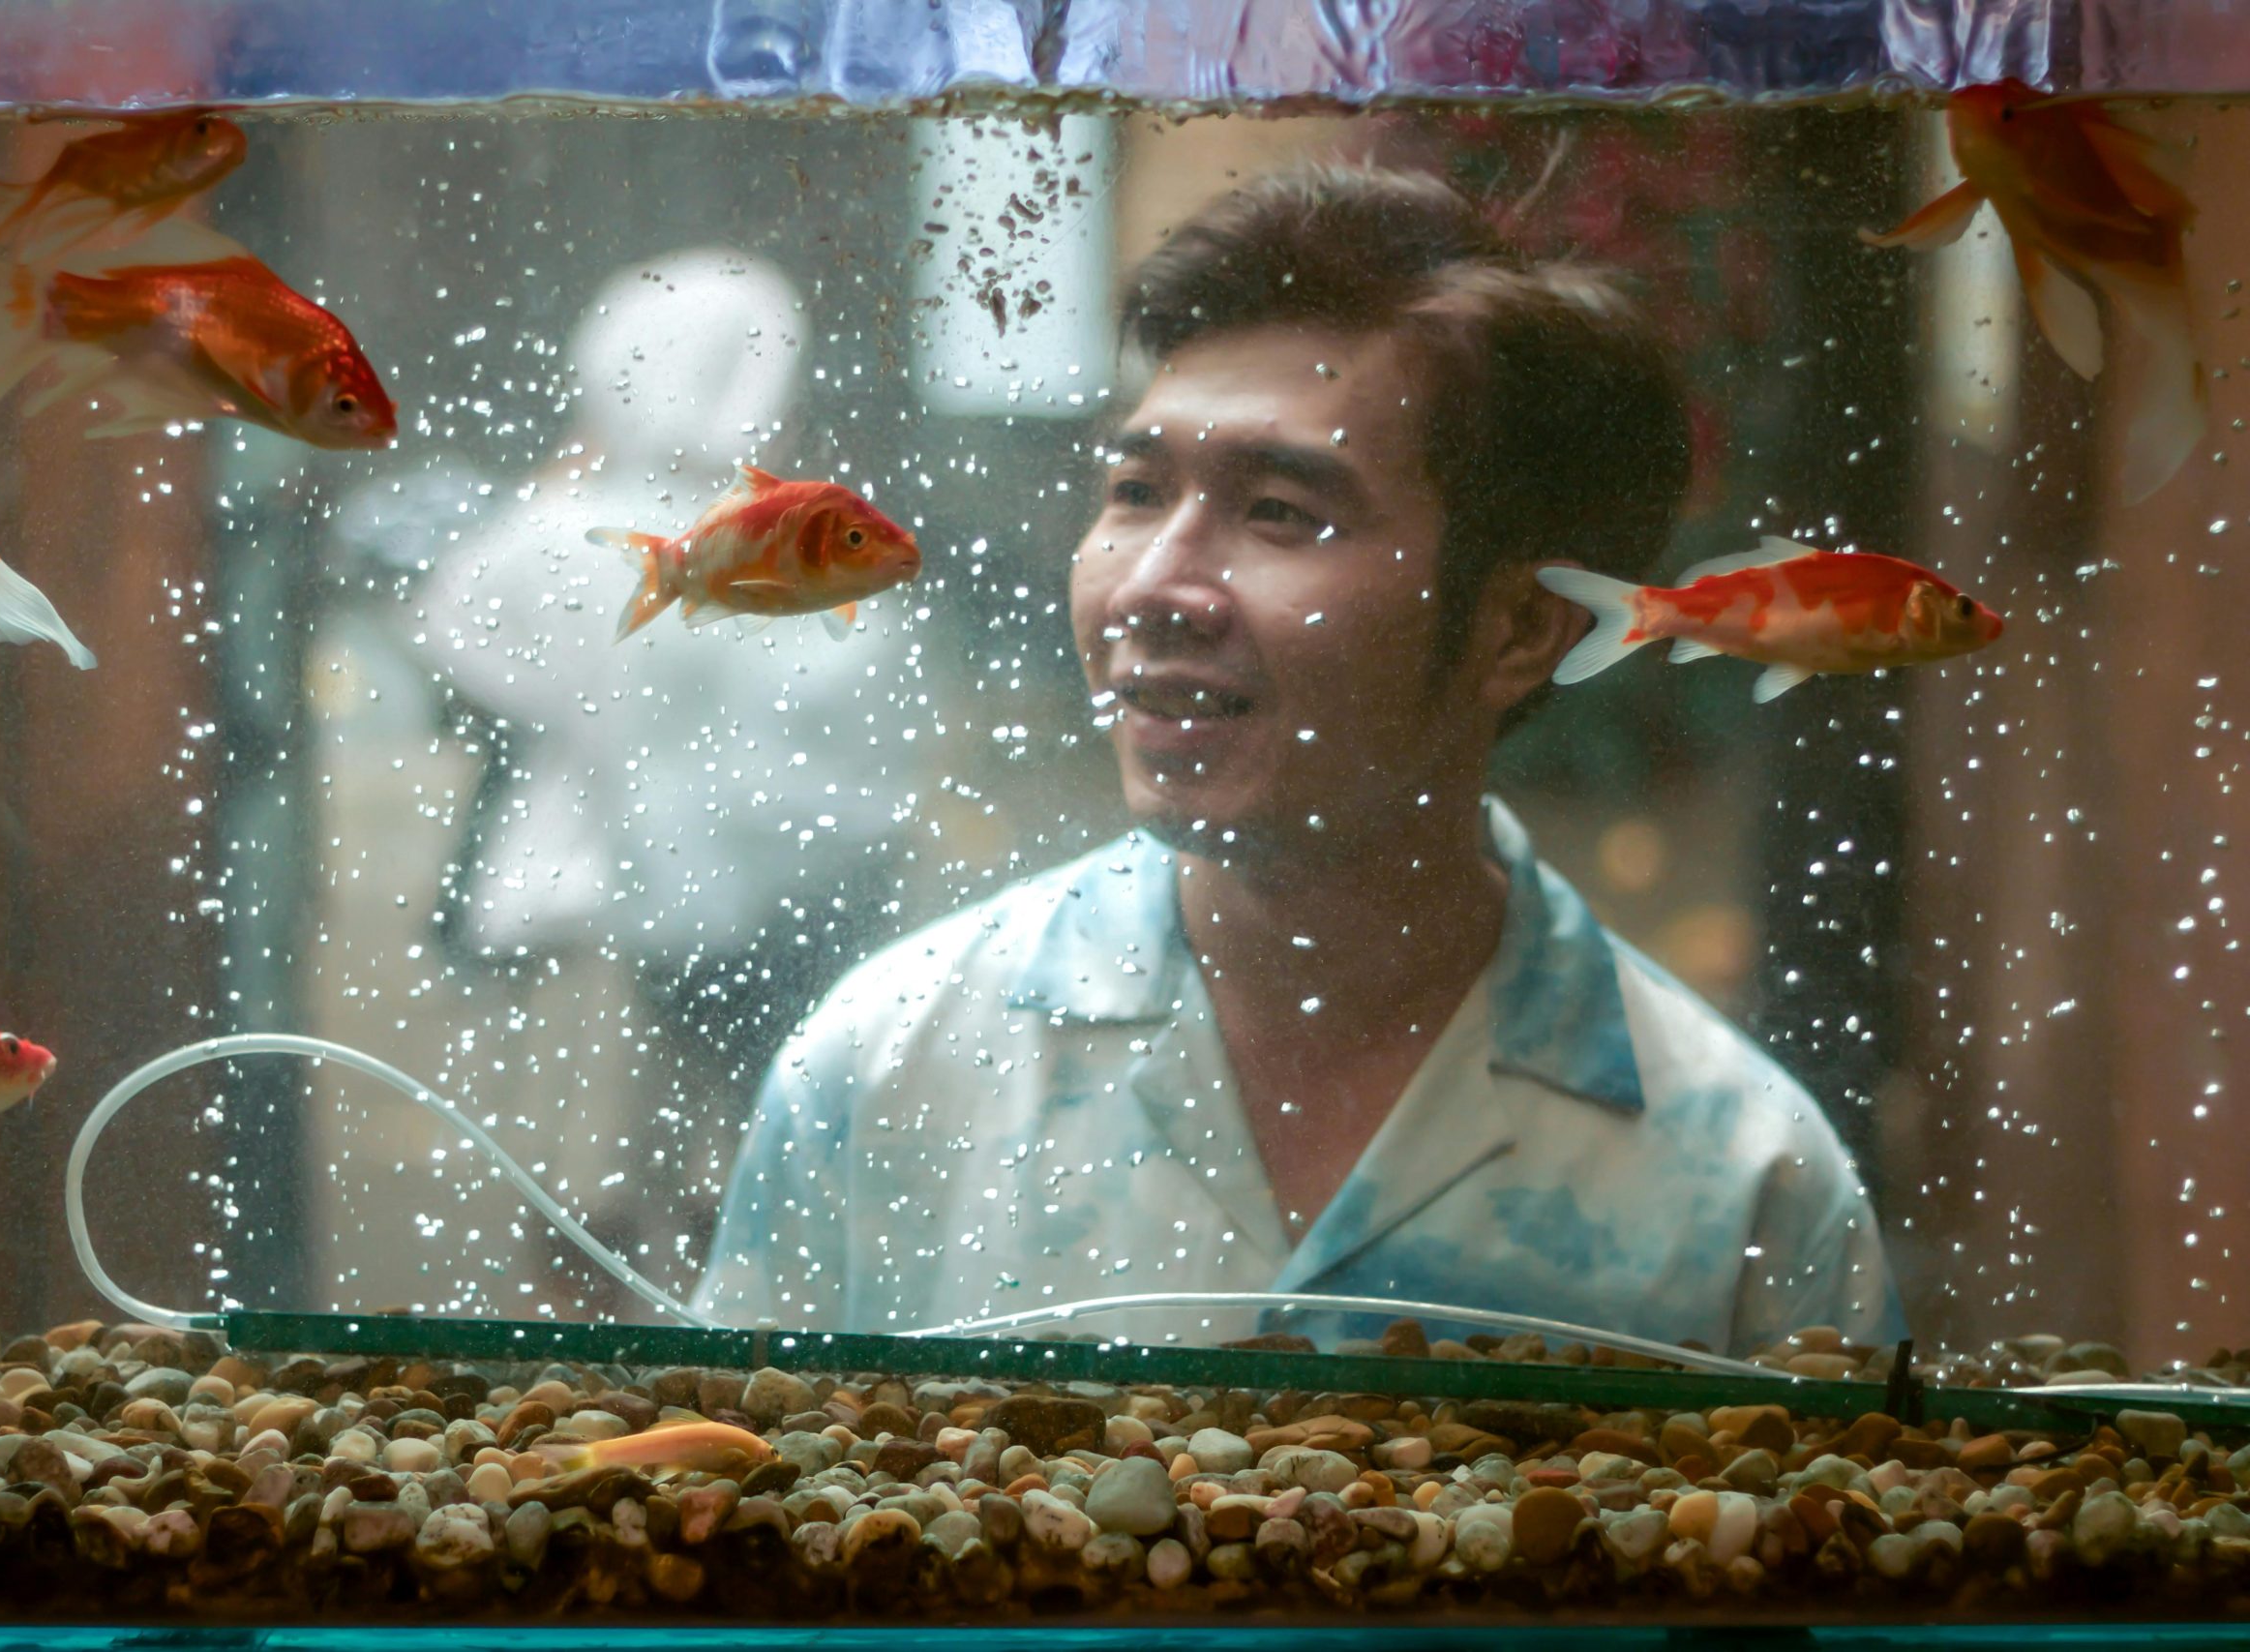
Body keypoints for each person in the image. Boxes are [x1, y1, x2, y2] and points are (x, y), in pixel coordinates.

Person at [693, 165, 1907, 1355]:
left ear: (1519, 628)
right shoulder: (894, 1066)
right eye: (1132, 489)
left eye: (1280, 511)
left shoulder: (1742, 1178)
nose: (1153, 585)